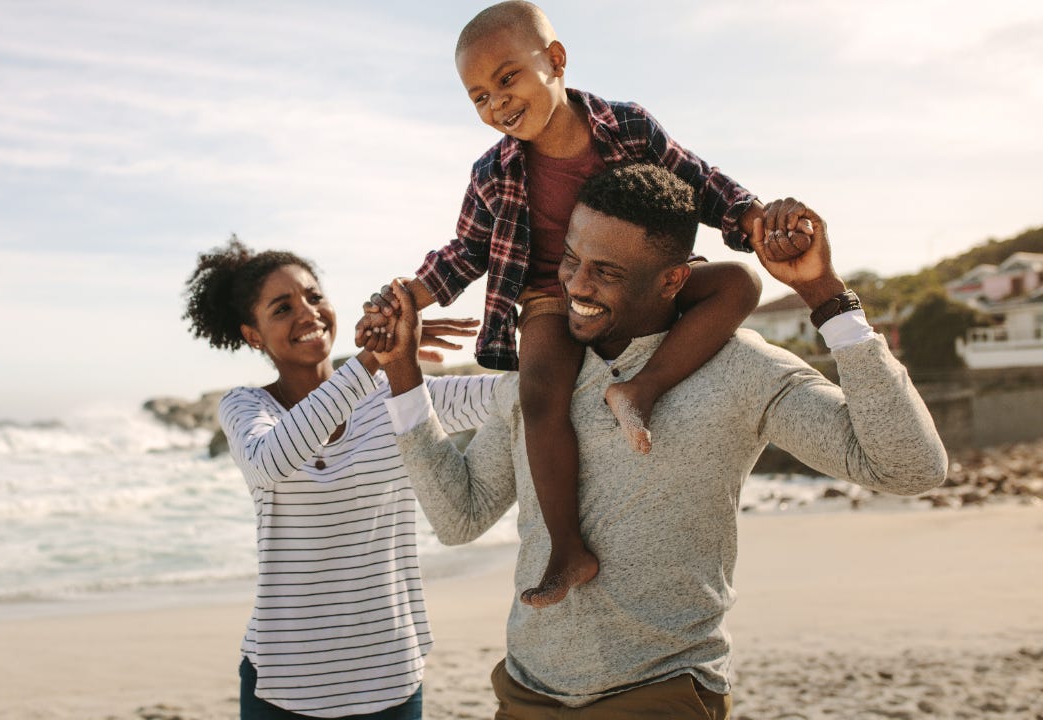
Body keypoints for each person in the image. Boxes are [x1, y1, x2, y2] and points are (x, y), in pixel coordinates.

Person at [375, 163, 948, 717]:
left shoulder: (738, 369)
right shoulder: (540, 378)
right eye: (571, 260)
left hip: (661, 694)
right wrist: (402, 372)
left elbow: (909, 466)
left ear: (674, 278)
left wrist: (824, 295)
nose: (576, 284)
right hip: (528, 693)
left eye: (607, 271)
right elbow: (459, 518)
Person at [359, 0, 811, 608]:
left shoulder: (627, 127)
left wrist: (755, 219)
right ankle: (568, 551)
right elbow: (466, 250)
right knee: (539, 393)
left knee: (740, 286)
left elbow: (701, 182)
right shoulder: (492, 172)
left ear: (554, 60)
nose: (496, 104)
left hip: (637, 284)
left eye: (506, 78)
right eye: (478, 97)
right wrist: (408, 294)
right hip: (550, 294)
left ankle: (640, 390)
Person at [181, 238, 500, 719]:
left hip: (390, 675)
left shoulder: (398, 391)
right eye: (282, 307)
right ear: (254, 335)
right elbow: (271, 461)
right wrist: (372, 358)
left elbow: (513, 395)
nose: (307, 313)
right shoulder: (246, 407)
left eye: (314, 296)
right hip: (285, 683)